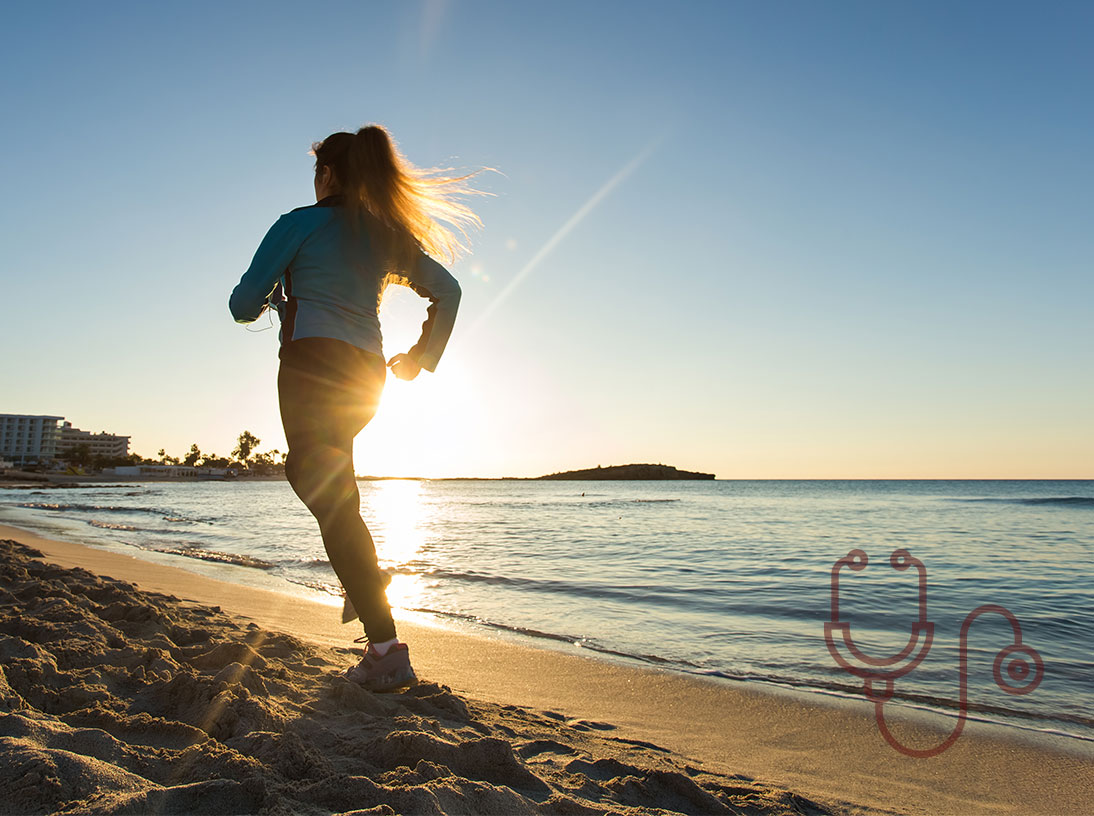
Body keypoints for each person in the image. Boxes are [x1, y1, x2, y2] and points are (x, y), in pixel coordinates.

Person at [229, 125, 482, 691]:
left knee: (315, 480)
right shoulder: (384, 235)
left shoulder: (297, 222)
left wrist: (274, 296)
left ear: (329, 174)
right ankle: (365, 579)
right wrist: (420, 358)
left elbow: (241, 305)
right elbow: (451, 291)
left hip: (310, 365)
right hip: (367, 376)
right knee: (335, 488)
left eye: (316, 173)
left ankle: (384, 640)